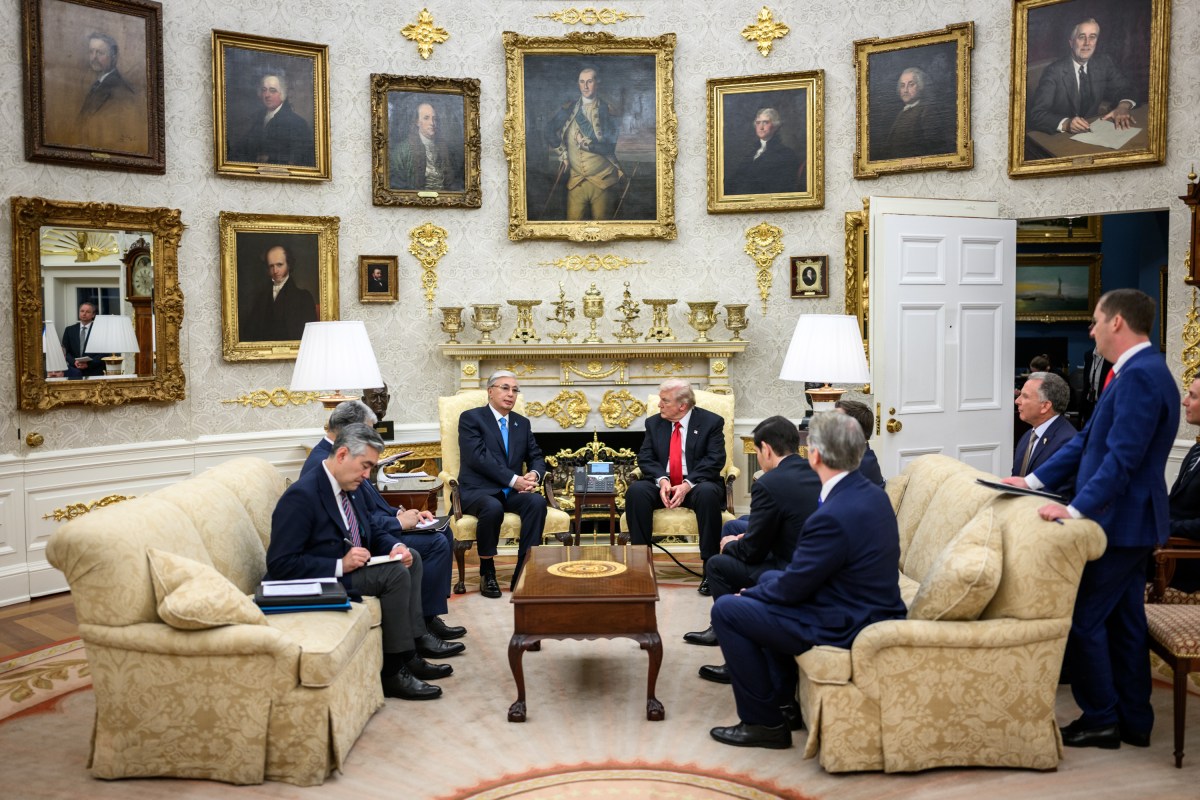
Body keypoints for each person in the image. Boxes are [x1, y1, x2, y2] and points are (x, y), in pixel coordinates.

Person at [1003, 289, 1178, 750]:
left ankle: (1101, 718)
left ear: (1117, 323)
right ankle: (1133, 720)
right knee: (1124, 622)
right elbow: (1085, 444)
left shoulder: (1141, 376)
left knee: (1083, 618)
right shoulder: (1129, 373)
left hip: (1121, 524)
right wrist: (1033, 482)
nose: (1091, 329)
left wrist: (1075, 509)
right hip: (1124, 522)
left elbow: (1122, 459)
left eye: (1096, 321)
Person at [708, 412, 907, 749]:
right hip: (866, 603)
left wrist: (754, 594)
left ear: (813, 454)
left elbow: (795, 587)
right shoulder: (870, 493)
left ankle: (765, 723)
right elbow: (804, 574)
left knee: (729, 610)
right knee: (767, 580)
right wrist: (762, 589)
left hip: (847, 620)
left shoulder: (832, 515)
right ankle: (784, 701)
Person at [266, 424, 455, 700]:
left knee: (409, 557)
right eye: (365, 466)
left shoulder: (347, 486)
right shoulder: (301, 496)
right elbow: (280, 565)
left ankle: (411, 653)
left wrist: (397, 546)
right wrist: (340, 564)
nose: (367, 475)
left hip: (349, 568)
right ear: (342, 454)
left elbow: (372, 531)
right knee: (393, 575)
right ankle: (391, 672)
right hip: (320, 580)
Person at [303, 401, 464, 643]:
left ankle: (429, 617)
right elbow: (353, 522)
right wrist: (398, 524)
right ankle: (422, 626)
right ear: (351, 429)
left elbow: (369, 504)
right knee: (435, 544)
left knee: (443, 533)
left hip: (377, 529)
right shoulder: (325, 464)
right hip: (356, 548)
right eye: (368, 430)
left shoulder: (346, 455)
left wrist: (402, 512)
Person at [684, 416, 821, 685]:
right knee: (735, 529)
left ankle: (736, 657)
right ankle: (725, 627)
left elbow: (752, 553)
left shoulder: (767, 484)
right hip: (808, 558)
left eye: (757, 452)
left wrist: (730, 545)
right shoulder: (814, 471)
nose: (759, 458)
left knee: (717, 565)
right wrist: (745, 536)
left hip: (788, 569)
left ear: (766, 449)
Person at [624, 379, 726, 595]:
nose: (659, 405)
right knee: (636, 491)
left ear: (682, 405)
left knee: (708, 494)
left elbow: (715, 460)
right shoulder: (654, 423)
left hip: (697, 483)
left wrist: (687, 485)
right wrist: (662, 480)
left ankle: (710, 569)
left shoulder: (711, 422)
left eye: (664, 401)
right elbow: (646, 458)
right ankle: (642, 565)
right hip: (664, 482)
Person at [457, 370, 548, 597]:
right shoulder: (471, 418)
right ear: (490, 391)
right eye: (505, 388)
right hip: (478, 490)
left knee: (536, 502)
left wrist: (534, 475)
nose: (511, 394)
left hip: (510, 490)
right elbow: (478, 458)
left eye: (515, 390)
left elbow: (536, 455)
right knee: (492, 506)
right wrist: (515, 479)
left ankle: (524, 570)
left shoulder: (522, 423)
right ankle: (487, 572)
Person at [1028, 18, 1136, 136]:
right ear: (1071, 42)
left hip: (1094, 131)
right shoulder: (1054, 71)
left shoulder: (1104, 62)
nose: (1087, 43)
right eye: (1081, 37)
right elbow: (1036, 115)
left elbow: (1127, 88)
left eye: (1092, 37)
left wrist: (1123, 106)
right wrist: (1067, 123)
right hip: (1060, 137)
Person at [546, 67, 623, 221]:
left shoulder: (608, 111)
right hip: (575, 181)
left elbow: (609, 146)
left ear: (597, 83)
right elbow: (548, 130)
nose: (585, 86)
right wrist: (563, 154)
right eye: (582, 82)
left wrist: (584, 143)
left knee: (602, 230)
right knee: (572, 228)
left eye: (589, 81)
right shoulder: (569, 109)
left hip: (603, 181)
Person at [1162, 372, 1200, 592]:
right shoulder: (1196, 450)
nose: (1185, 401)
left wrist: (1165, 527)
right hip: (1168, 547)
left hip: (1185, 559)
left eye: (1193, 396)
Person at [1011, 371, 1076, 497]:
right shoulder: (1027, 436)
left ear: (1045, 406)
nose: (1017, 401)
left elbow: (1056, 496)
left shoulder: (1067, 443)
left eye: (1025, 396)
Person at [231, 72, 315, 167]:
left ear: (282, 94)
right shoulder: (258, 117)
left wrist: (270, 158)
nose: (267, 95)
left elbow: (301, 158)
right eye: (264, 90)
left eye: (272, 90)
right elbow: (244, 146)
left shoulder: (297, 123)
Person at [875, 67, 954, 161]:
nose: (905, 90)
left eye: (911, 85)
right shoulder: (903, 112)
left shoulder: (927, 110)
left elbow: (934, 147)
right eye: (902, 85)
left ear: (920, 86)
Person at [243, 244, 317, 341]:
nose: (275, 271)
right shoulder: (260, 297)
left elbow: (309, 336)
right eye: (271, 266)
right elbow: (250, 332)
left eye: (279, 265)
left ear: (289, 264)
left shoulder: (303, 298)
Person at [725, 107, 802, 196]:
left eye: (765, 122)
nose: (761, 127)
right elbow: (735, 180)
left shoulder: (786, 154)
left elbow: (781, 188)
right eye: (758, 123)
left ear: (775, 126)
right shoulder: (751, 152)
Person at [389, 101, 463, 191]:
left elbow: (452, 182)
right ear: (417, 122)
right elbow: (398, 184)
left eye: (434, 119)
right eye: (426, 118)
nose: (432, 123)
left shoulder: (444, 148)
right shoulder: (402, 151)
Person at [60, 301, 106, 379]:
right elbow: (65, 351)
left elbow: (104, 352)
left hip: (94, 371)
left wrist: (89, 364)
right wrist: (74, 362)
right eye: (82, 311)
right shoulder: (69, 330)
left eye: (87, 312)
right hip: (74, 371)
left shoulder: (100, 330)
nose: (84, 314)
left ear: (93, 315)